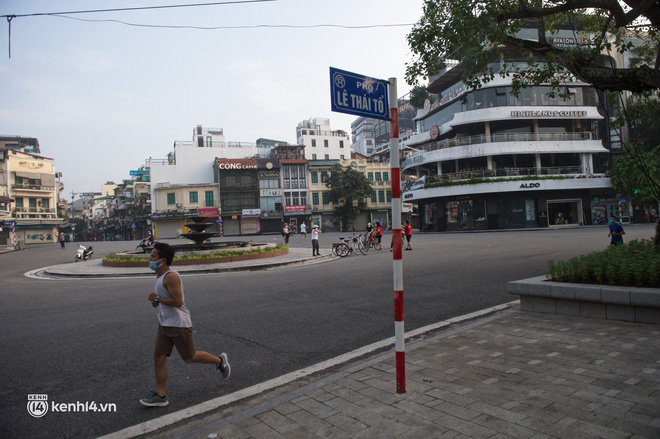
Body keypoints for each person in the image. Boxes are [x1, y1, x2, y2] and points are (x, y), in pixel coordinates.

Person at [140, 242, 230, 407]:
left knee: (189, 357)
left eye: (153, 256)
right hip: (164, 324)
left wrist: (158, 299)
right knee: (158, 358)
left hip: (178, 324)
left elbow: (178, 301)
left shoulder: (171, 276)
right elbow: (165, 299)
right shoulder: (160, 276)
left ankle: (219, 361)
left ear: (163, 260)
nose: (150, 259)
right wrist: (156, 302)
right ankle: (161, 396)